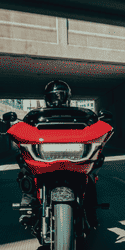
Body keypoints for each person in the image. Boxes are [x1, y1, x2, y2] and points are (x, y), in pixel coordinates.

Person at [16, 80, 102, 233]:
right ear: (47, 97)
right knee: (25, 168)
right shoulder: (34, 115)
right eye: (54, 96)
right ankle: (28, 204)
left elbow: (95, 128)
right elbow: (24, 131)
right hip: (44, 156)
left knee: (90, 175)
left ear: (67, 97)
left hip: (75, 157)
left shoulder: (82, 115)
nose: (57, 98)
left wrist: (101, 124)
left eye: (61, 95)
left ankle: (91, 211)